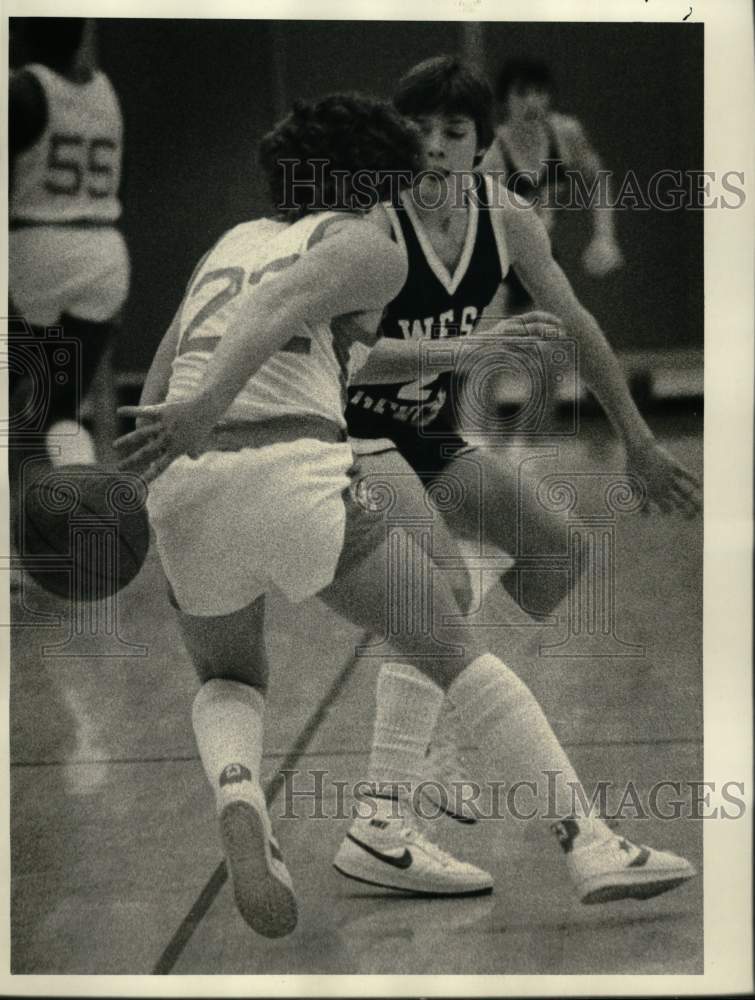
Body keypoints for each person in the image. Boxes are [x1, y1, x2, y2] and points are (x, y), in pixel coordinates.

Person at [116, 91, 696, 938]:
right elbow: (281, 314)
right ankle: (585, 840)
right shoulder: (370, 247)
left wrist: (164, 450)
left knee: (229, 679)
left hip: (186, 485)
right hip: (299, 465)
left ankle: (241, 795)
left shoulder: (229, 244)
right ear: (375, 173)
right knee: (453, 640)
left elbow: (168, 376)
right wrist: (211, 403)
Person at [331, 56, 700, 891]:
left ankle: (437, 748)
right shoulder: (373, 225)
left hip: (422, 439)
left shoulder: (506, 218)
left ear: (479, 141)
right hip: (350, 434)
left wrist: (637, 440)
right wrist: (467, 349)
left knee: (558, 552)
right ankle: (388, 814)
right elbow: (346, 362)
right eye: (418, 131)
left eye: (451, 133)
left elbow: (575, 324)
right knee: (444, 591)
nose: (433, 147)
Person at [8, 17, 129, 488]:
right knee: (60, 409)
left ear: (18, 36)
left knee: (17, 397)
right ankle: (80, 502)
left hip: (36, 246)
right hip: (104, 251)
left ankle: (16, 523)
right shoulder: (105, 89)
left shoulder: (21, 90)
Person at [480, 57, 623, 313]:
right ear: (505, 99)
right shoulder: (493, 154)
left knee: (556, 328)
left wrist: (604, 236)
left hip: (538, 253)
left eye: (539, 92)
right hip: (496, 256)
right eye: (522, 94)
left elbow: (599, 180)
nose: (532, 103)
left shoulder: (566, 133)